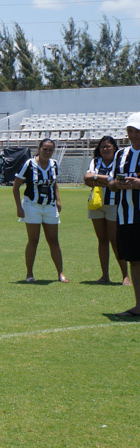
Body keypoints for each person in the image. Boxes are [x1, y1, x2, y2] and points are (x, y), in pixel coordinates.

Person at [12, 138, 68, 283]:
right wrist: (19, 207)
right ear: (39, 148)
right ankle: (29, 274)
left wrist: (58, 200)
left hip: (49, 206)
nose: (47, 152)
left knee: (53, 240)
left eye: (50, 150)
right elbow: (16, 186)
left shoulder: (54, 164)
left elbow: (53, 184)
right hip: (32, 206)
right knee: (33, 239)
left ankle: (60, 273)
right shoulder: (29, 164)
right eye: (45, 149)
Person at [84, 136, 129, 285]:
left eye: (108, 146)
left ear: (114, 147)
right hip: (96, 204)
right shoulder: (95, 161)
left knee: (115, 240)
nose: (105, 149)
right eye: (102, 147)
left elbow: (117, 181)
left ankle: (125, 276)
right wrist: (107, 180)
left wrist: (100, 179)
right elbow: (87, 178)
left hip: (114, 204)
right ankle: (105, 276)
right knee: (102, 240)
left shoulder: (119, 161)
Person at [111, 113, 140, 317]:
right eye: (130, 130)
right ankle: (139, 305)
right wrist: (117, 184)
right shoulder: (121, 155)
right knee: (135, 260)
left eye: (135, 130)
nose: (132, 134)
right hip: (126, 216)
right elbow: (111, 183)